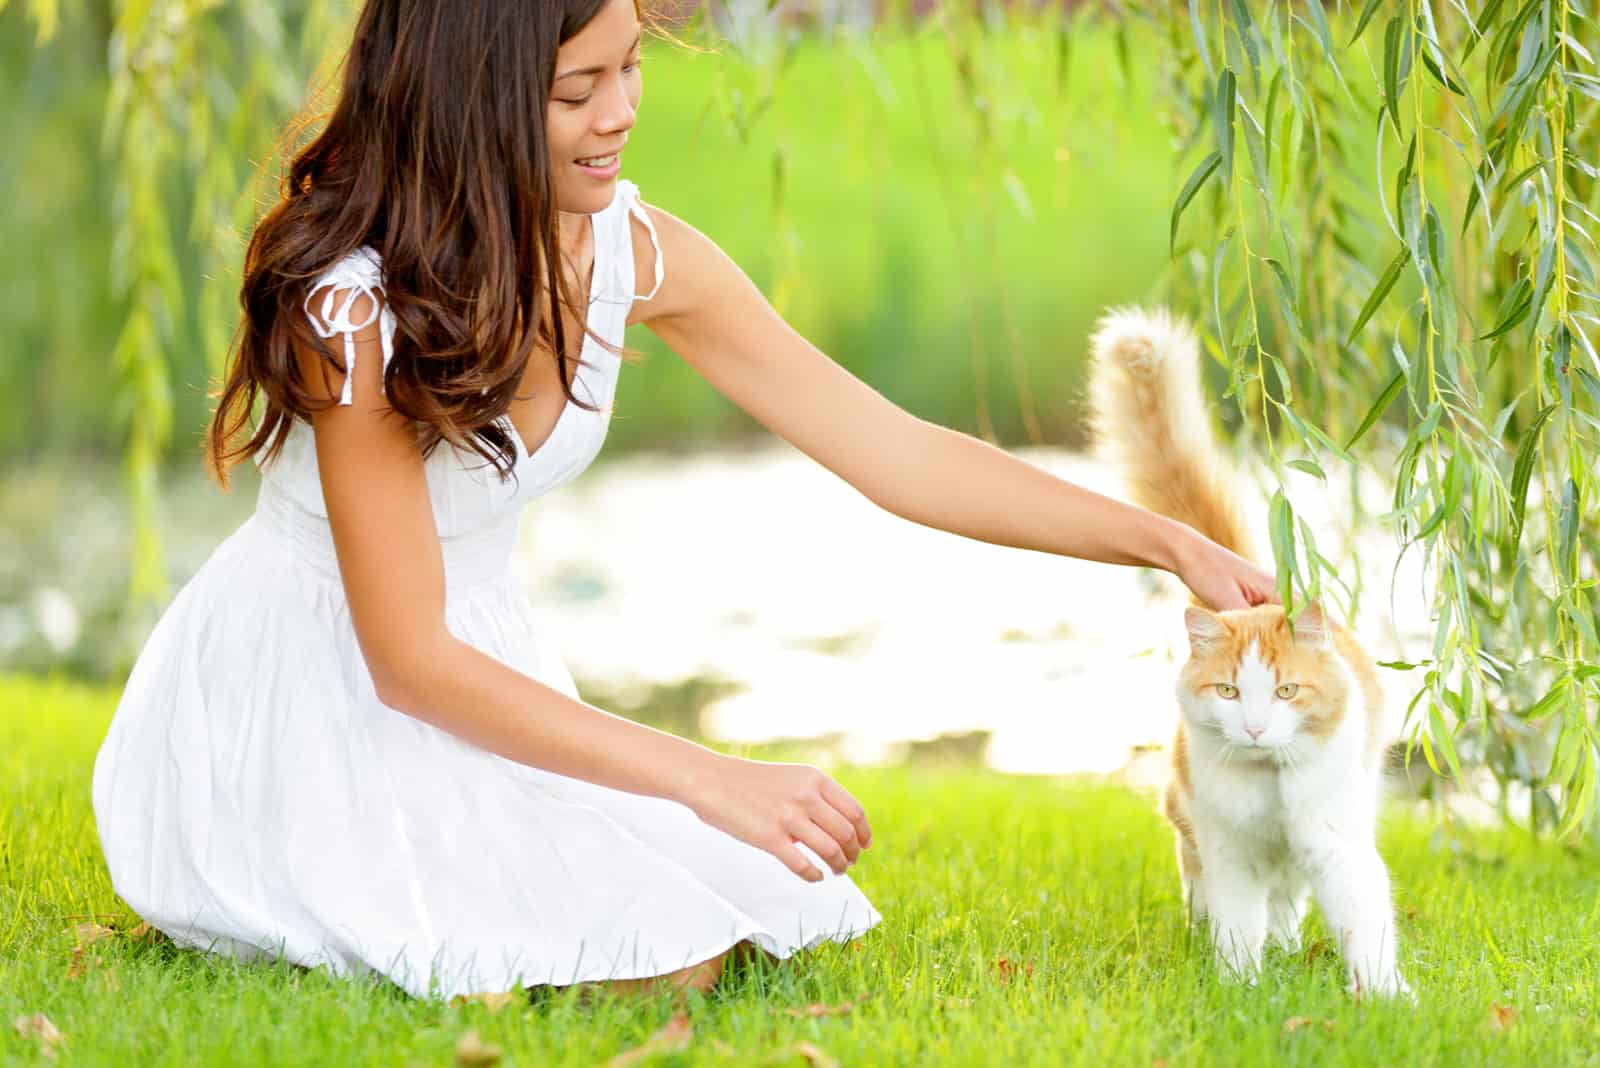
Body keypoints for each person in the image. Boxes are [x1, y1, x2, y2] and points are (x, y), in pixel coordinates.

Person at [91, 0, 1277, 1003]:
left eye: (632, 67)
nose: (619, 112)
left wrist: (1159, 537)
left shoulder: (632, 254)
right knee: (655, 953)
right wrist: (715, 775)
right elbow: (406, 658)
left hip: (486, 668)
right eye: (578, 90)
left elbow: (896, 451)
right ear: (472, 102)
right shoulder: (351, 314)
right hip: (316, 682)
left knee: (761, 910)